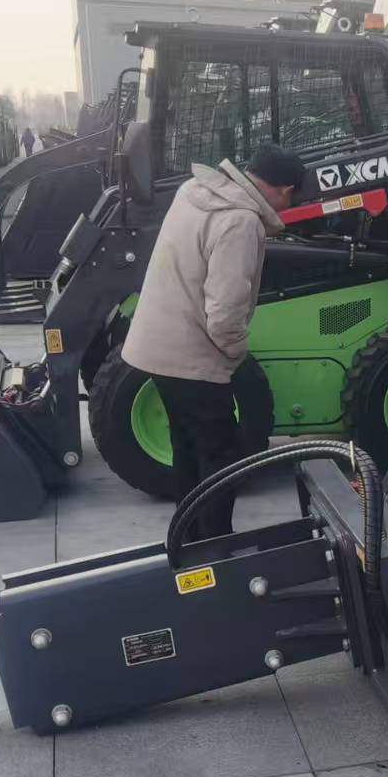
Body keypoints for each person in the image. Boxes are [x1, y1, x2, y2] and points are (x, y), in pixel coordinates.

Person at [121, 144, 304, 540]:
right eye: (292, 198)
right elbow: (224, 314)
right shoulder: (240, 221)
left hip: (156, 346)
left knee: (186, 446)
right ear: (285, 189)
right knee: (222, 456)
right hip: (192, 356)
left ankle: (189, 540)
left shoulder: (194, 191)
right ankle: (217, 546)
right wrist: (237, 355)